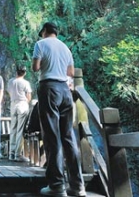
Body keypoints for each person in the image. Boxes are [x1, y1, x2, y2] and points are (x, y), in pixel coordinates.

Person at [32, 22, 86, 197]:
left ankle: (56, 186)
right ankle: (78, 186)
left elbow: (35, 67)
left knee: (51, 136)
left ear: (45, 31)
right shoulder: (66, 48)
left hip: (49, 88)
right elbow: (71, 72)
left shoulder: (40, 44)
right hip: (65, 91)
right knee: (69, 137)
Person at [7, 66, 32, 162]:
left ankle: (11, 154)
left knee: (13, 129)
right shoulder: (25, 83)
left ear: (16, 72)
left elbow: (9, 93)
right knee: (20, 130)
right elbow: (28, 96)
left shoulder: (10, 81)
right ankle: (17, 154)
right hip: (22, 104)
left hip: (13, 104)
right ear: (24, 73)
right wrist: (26, 102)